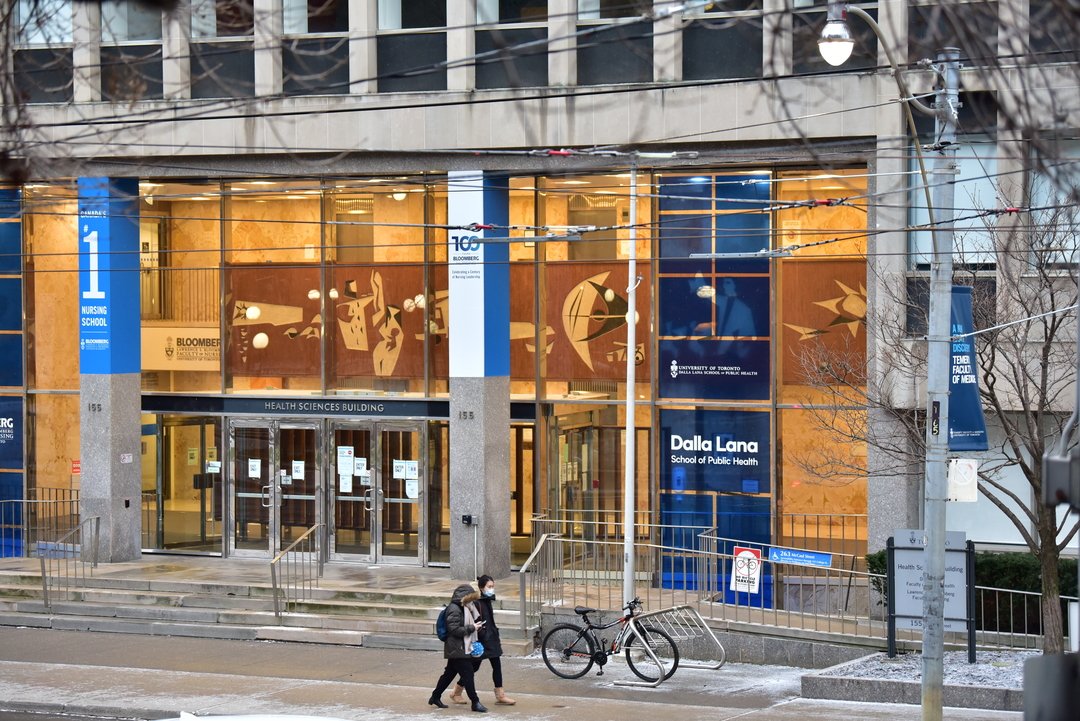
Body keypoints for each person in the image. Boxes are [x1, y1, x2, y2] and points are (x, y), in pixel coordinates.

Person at [450, 575, 515, 706]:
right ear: (481, 588)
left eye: (493, 586)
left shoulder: (488, 600)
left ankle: (500, 695)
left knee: (496, 665)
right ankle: (456, 691)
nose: (492, 589)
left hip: (492, 637)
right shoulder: (477, 601)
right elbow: (473, 620)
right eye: (489, 587)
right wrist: (482, 631)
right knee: (474, 667)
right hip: (482, 638)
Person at [428, 584, 488, 713]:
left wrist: (474, 626)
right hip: (457, 647)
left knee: (449, 674)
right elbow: (454, 629)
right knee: (468, 674)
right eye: (471, 598)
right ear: (464, 598)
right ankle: (475, 702)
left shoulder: (463, 608)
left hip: (458, 646)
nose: (473, 601)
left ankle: (435, 696)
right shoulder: (454, 609)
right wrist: (472, 628)